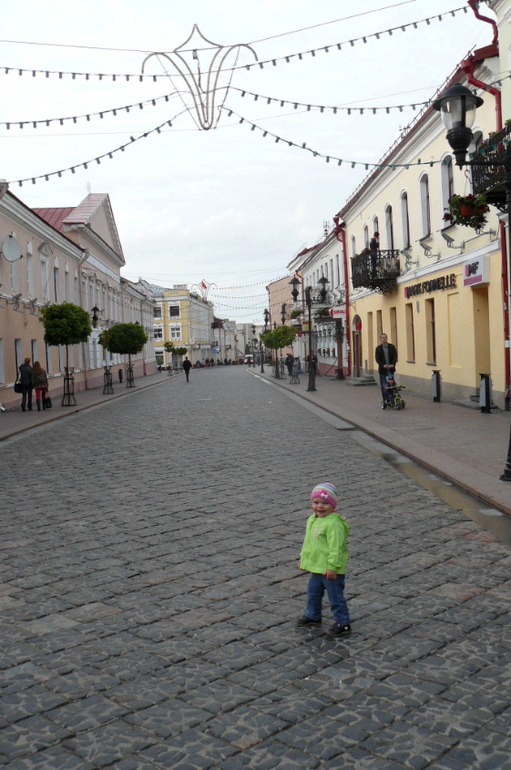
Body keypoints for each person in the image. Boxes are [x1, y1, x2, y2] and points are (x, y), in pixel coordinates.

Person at [296, 482, 351, 638]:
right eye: (316, 502)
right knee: (313, 593)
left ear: (332, 505)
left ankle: (343, 623)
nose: (320, 506)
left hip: (330, 569)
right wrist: (303, 559)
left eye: (325, 503)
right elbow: (309, 542)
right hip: (317, 567)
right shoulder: (312, 519)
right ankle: (313, 615)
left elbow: (336, 548)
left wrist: (333, 566)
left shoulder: (334, 524)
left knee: (335, 597)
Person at [375, 332, 398, 407]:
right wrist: (383, 365)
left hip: (390, 370)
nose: (384, 339)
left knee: (391, 385)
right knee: (384, 386)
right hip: (383, 370)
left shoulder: (392, 347)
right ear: (380, 339)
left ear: (387, 338)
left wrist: (393, 364)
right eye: (382, 337)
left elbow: (395, 357)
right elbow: (377, 359)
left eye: (385, 337)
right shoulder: (378, 349)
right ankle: (385, 400)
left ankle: (392, 399)